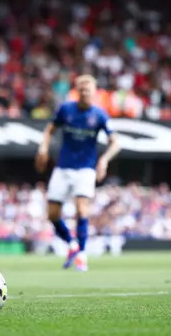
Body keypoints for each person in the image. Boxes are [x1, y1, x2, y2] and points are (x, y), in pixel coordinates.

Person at [35, 75, 121, 271]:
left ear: (94, 92)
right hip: (63, 167)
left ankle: (81, 254)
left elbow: (115, 143)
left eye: (88, 91)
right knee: (53, 214)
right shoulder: (66, 110)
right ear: (77, 92)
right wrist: (43, 148)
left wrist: (104, 160)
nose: (85, 94)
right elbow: (49, 130)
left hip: (85, 169)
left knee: (82, 209)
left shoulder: (99, 115)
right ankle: (72, 244)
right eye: (82, 90)